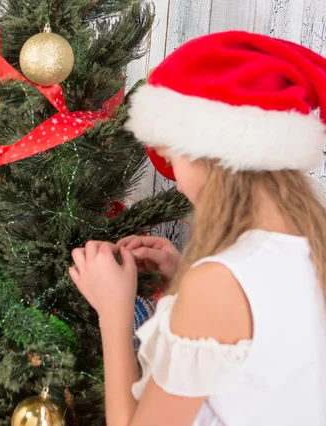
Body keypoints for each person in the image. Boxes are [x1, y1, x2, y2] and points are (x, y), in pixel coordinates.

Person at [69, 31, 326, 426]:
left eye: (173, 160)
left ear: (206, 154)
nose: (178, 181)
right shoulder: (311, 249)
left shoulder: (218, 283)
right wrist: (182, 277)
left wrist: (114, 312)